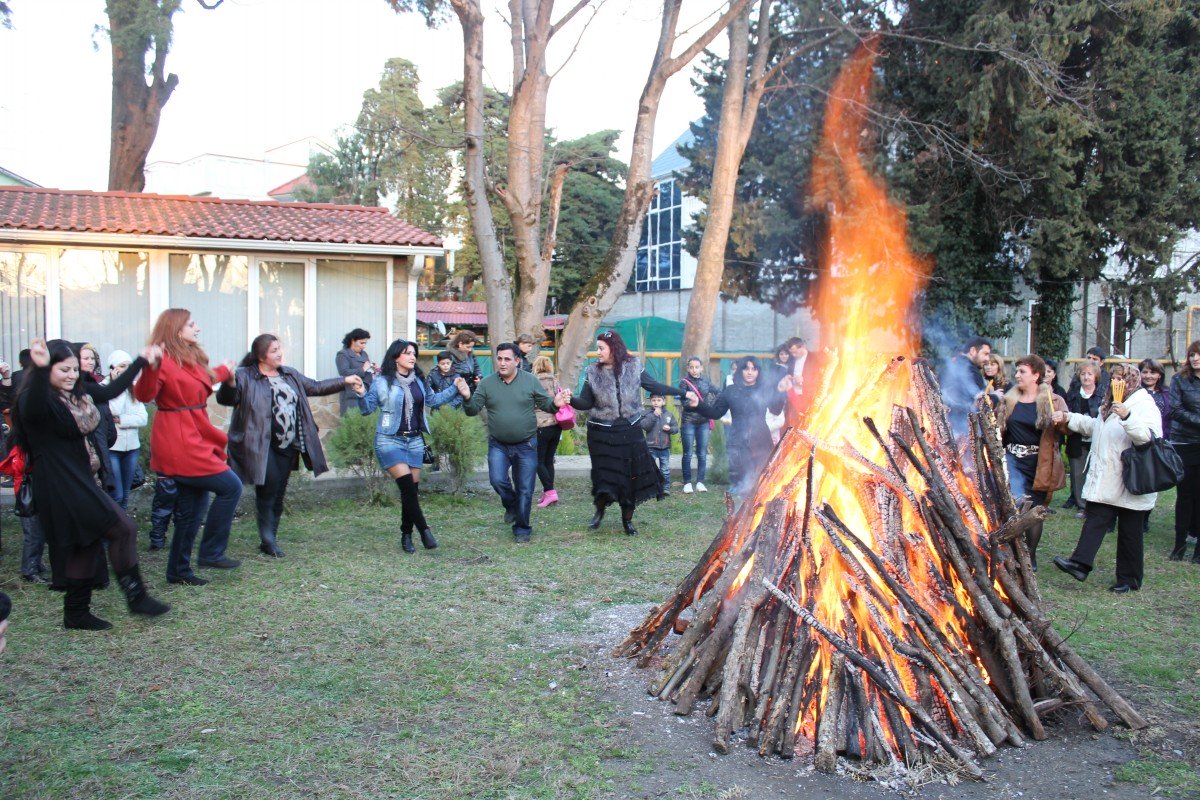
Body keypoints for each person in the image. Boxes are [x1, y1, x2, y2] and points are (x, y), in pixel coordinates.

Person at [12, 338, 169, 630]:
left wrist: (141, 360)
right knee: (123, 528)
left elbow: (110, 389)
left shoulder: (77, 392)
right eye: (64, 369)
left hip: (81, 478)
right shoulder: (36, 399)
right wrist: (39, 367)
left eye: (74, 369)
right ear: (47, 369)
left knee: (87, 543)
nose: (72, 375)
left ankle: (75, 613)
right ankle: (136, 597)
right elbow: (32, 405)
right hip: (59, 483)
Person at [219, 334, 359, 558]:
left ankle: (269, 536)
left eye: (279, 349)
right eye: (274, 350)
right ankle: (268, 540)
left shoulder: (289, 374)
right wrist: (228, 382)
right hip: (260, 446)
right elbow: (226, 399)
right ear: (261, 355)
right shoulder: (245, 375)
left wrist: (345, 381)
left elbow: (315, 387)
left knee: (278, 492)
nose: (279, 353)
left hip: (288, 444)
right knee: (267, 491)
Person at [134, 308, 243, 586]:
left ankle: (179, 571)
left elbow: (205, 378)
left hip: (194, 431)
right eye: (191, 324)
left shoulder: (190, 357)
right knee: (230, 486)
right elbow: (144, 394)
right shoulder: (162, 360)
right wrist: (151, 366)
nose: (198, 328)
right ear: (176, 329)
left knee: (193, 508)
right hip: (177, 439)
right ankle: (210, 553)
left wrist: (225, 369)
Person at [568, 331, 695, 536]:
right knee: (605, 478)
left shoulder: (634, 367)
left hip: (630, 431)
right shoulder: (592, 372)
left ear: (613, 348)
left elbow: (654, 386)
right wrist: (569, 400)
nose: (597, 352)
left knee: (631, 478)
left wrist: (682, 393)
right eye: (597, 348)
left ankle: (627, 520)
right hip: (601, 434)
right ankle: (599, 509)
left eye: (601, 348)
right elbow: (586, 403)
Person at [1052, 364, 1162, 592]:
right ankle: (1080, 564)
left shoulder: (1143, 404)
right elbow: (1097, 427)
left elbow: (1147, 437)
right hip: (1109, 477)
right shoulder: (1110, 404)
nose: (1116, 382)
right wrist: (1068, 417)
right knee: (1096, 518)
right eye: (1113, 378)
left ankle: (1129, 580)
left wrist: (1128, 416)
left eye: (1121, 378)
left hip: (1131, 478)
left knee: (1130, 533)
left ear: (1132, 380)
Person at [460, 343, 570, 542]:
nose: (502, 363)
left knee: (525, 488)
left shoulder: (530, 381)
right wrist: (467, 397)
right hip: (498, 445)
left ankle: (522, 528)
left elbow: (546, 404)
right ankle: (511, 505)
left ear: (517, 361)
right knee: (497, 480)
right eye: (499, 358)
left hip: (526, 444)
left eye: (507, 359)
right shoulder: (487, 383)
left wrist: (556, 403)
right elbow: (472, 409)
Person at [358, 338, 459, 553]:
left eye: (414, 353)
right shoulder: (382, 382)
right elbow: (367, 408)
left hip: (414, 441)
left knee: (410, 492)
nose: (413, 357)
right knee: (407, 488)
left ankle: (406, 534)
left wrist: (456, 389)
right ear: (396, 357)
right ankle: (424, 530)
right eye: (407, 353)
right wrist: (359, 392)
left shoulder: (419, 381)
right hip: (389, 440)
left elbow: (433, 401)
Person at [1001, 355, 1067, 570]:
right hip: (1011, 460)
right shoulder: (1009, 399)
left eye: (1022, 372)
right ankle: (1012, 551)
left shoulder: (1053, 400)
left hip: (1038, 463)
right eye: (1017, 371)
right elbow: (998, 429)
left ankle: (1030, 555)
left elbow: (1066, 429)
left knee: (1035, 510)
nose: (1017, 375)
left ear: (1036, 375)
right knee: (1013, 505)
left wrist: (1062, 420)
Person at [693, 356, 790, 497]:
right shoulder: (731, 391)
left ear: (758, 372)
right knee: (745, 483)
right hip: (738, 440)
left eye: (754, 369)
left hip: (761, 439)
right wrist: (698, 404)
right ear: (740, 371)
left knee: (764, 479)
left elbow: (775, 409)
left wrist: (781, 392)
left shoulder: (764, 389)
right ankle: (744, 514)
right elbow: (715, 413)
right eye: (746, 368)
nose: (750, 372)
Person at [102, 350, 148, 510]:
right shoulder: (103, 387)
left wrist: (122, 419)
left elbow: (143, 418)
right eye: (122, 366)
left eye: (129, 366)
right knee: (117, 494)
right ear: (112, 368)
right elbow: (112, 410)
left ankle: (123, 529)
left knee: (126, 494)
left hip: (132, 449)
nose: (127, 370)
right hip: (113, 449)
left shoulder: (134, 389)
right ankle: (112, 527)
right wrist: (118, 387)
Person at [1168, 340, 1200, 562]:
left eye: (1198, 354)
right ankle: (1179, 545)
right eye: (1192, 355)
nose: (1194, 358)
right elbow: (1176, 410)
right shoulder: (1179, 379)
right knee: (1185, 495)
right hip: (1186, 444)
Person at [1063, 362, 1102, 514]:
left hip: (1096, 440)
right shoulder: (1072, 394)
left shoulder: (1102, 394)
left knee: (1095, 473)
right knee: (1078, 474)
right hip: (1076, 440)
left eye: (1090, 374)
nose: (1086, 377)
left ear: (1096, 377)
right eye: (1083, 374)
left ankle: (1094, 505)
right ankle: (1082, 506)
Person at [677, 356, 719, 494]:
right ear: (688, 368)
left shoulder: (706, 381)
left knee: (702, 453)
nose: (694, 370)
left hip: (704, 422)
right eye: (691, 367)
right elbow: (684, 403)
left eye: (697, 367)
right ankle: (687, 482)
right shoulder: (684, 383)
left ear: (702, 368)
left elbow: (718, 392)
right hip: (689, 421)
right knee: (688, 453)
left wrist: (711, 406)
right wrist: (692, 403)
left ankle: (700, 482)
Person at [941, 336, 993, 440]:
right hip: (963, 432)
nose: (987, 359)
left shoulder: (950, 366)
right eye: (985, 354)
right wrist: (995, 397)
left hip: (945, 430)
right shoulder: (971, 370)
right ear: (973, 351)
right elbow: (979, 404)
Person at [532, 355, 563, 508]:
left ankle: (550, 492)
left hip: (541, 425)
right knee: (548, 460)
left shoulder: (533, 382)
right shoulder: (555, 381)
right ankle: (548, 493)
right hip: (556, 424)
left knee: (538, 461)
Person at [639, 394, 678, 496]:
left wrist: (670, 429)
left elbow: (675, 428)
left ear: (663, 402)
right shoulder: (647, 414)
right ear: (651, 402)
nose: (656, 402)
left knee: (664, 469)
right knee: (651, 469)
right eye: (653, 400)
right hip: (651, 446)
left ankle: (665, 488)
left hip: (664, 447)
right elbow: (645, 426)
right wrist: (654, 416)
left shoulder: (668, 414)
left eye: (659, 400)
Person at [335, 328, 376, 416]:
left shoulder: (364, 353)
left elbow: (367, 368)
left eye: (365, 343)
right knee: (353, 422)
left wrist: (373, 368)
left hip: (367, 392)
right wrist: (363, 369)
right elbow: (344, 372)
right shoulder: (343, 354)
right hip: (352, 395)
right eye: (361, 343)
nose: (364, 346)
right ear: (353, 341)